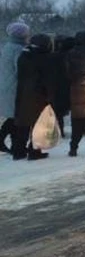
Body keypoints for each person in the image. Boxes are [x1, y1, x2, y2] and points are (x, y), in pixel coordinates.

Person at [13, 33, 57, 160]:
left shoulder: (24, 56)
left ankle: (18, 150)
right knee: (39, 123)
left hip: (23, 92)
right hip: (39, 94)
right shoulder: (45, 58)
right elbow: (48, 79)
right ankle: (35, 150)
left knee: (23, 123)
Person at [0, 21, 29, 155]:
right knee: (17, 117)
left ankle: (10, 143)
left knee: (13, 117)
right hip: (15, 87)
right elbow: (21, 70)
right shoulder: (19, 50)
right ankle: (15, 144)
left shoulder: (7, 47)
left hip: (5, 85)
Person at [52, 35, 76, 135]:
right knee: (76, 109)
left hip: (58, 86)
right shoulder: (74, 56)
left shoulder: (54, 56)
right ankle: (79, 129)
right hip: (73, 85)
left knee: (58, 112)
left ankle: (59, 130)